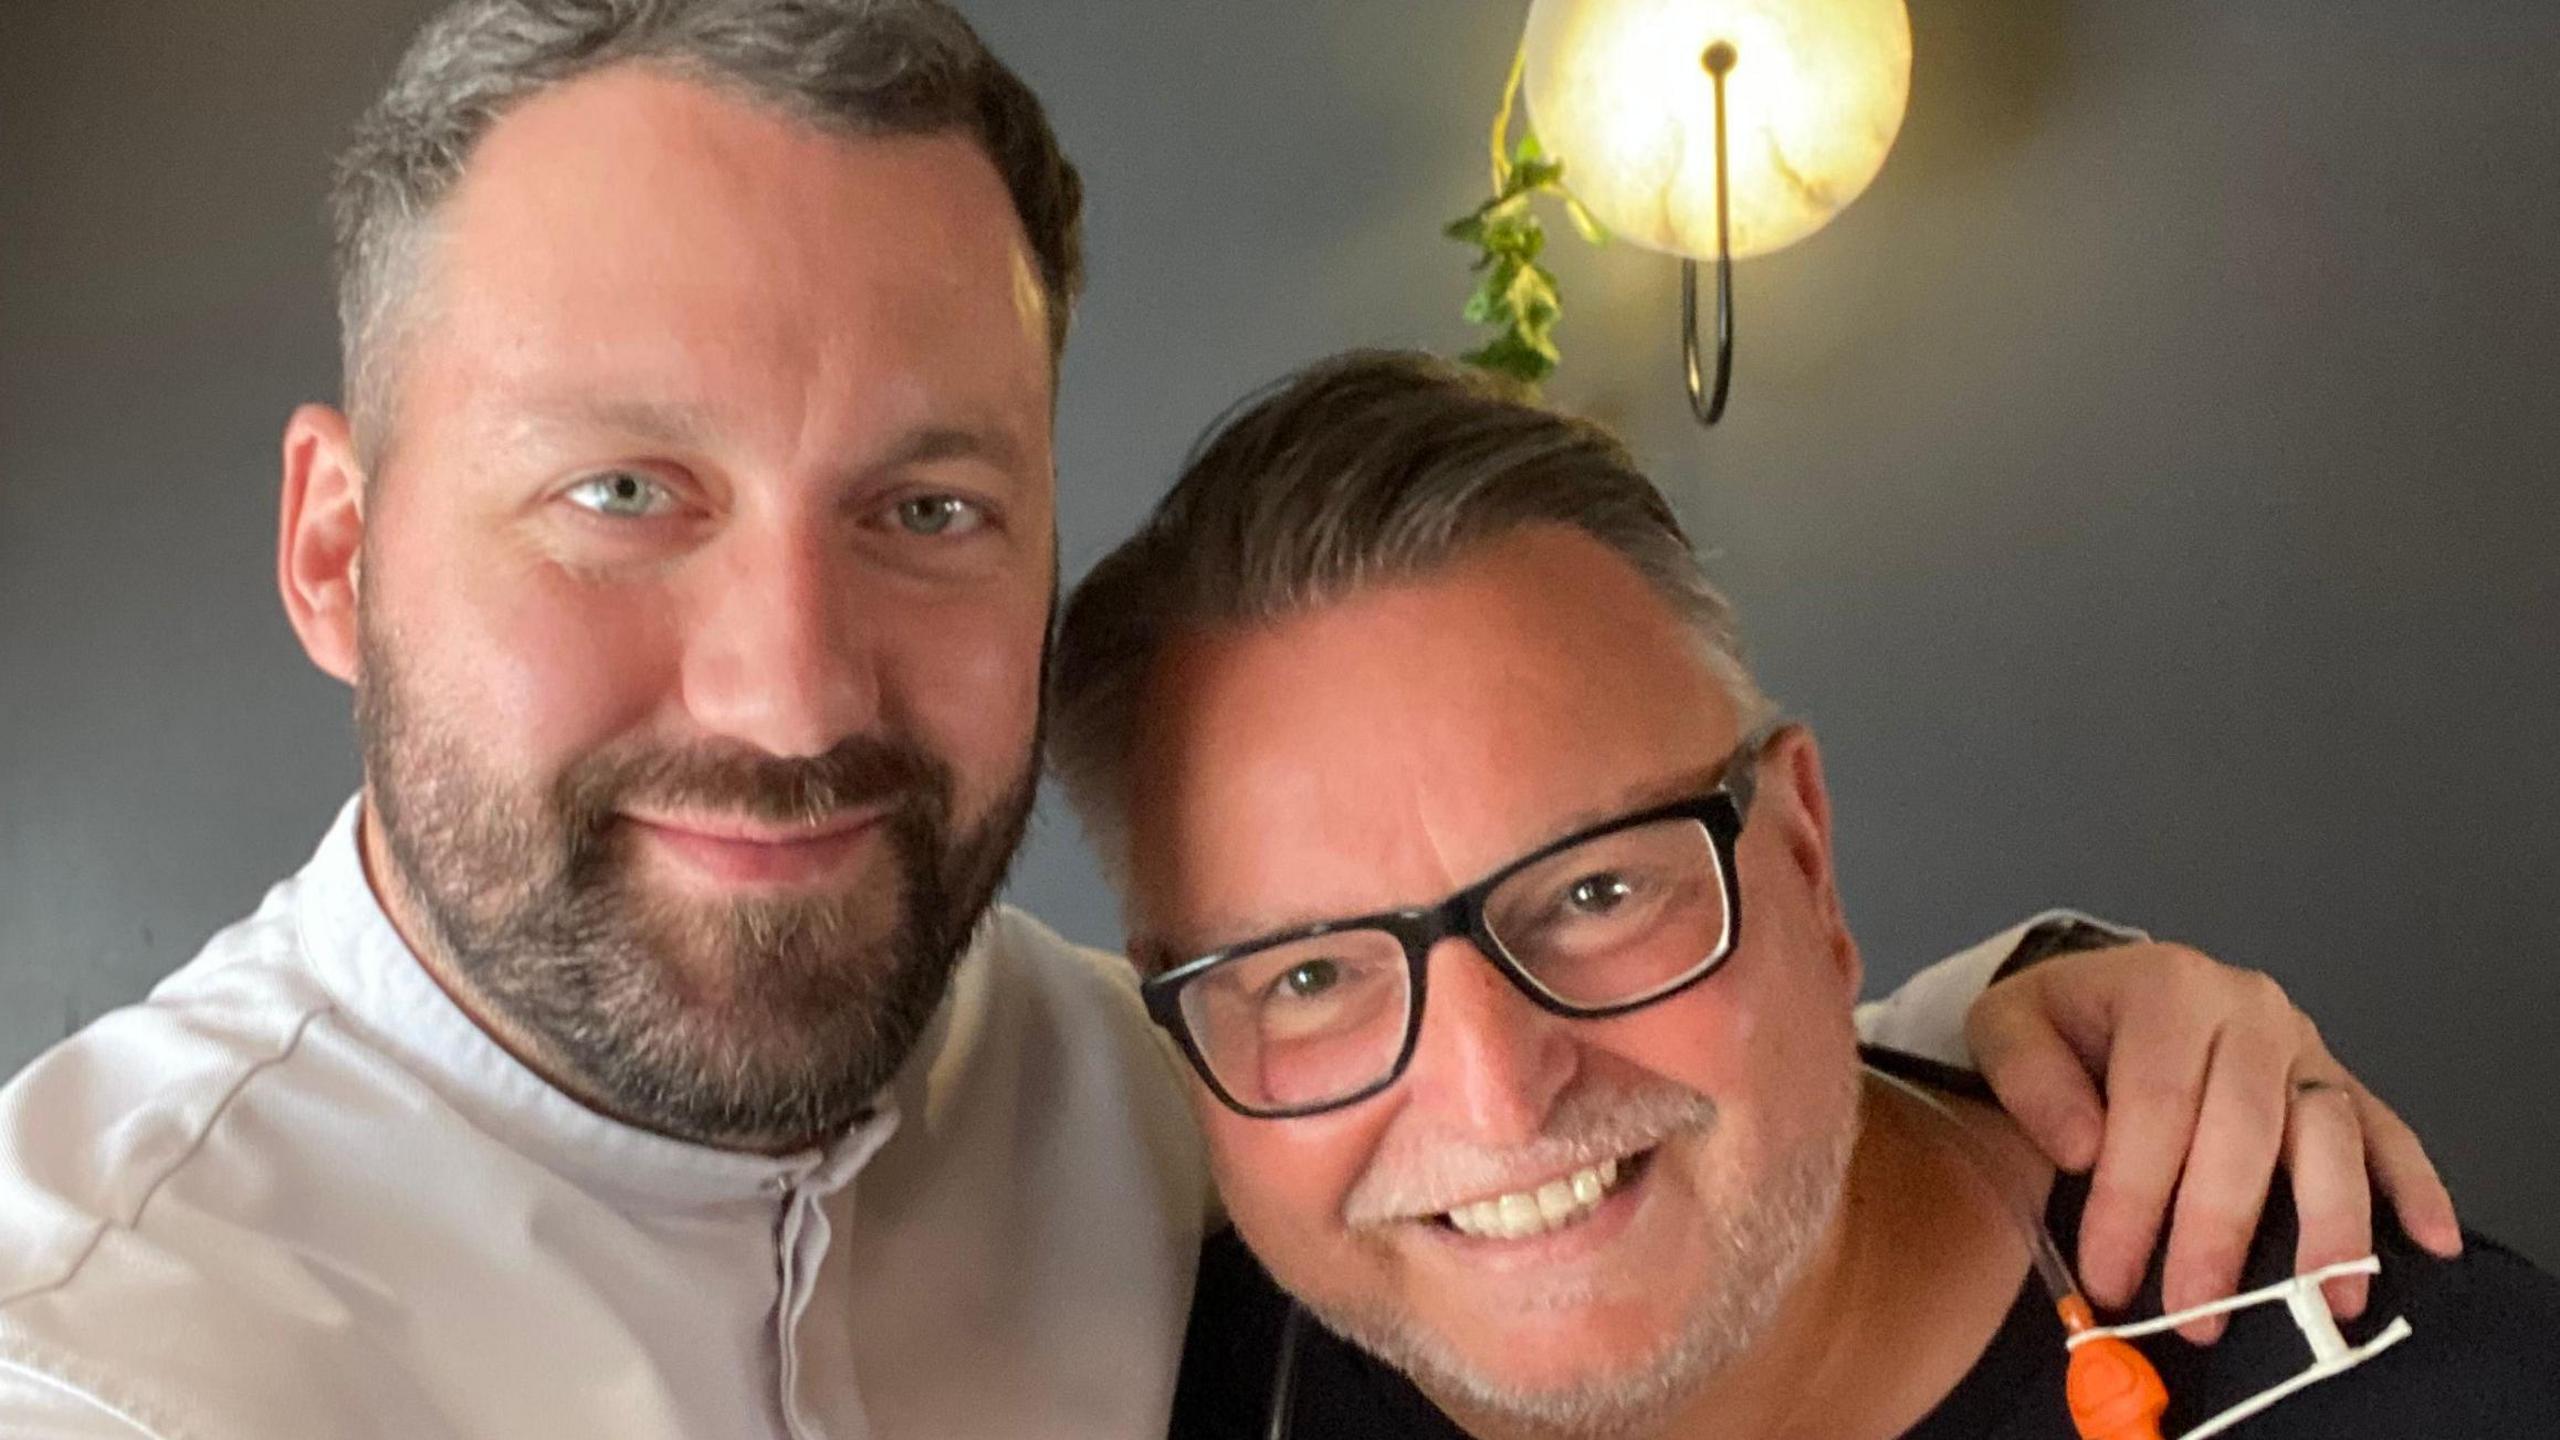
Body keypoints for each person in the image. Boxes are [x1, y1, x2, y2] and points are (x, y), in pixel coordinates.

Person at [0, 5, 2456, 1437]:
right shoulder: (94, 1355)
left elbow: (1533, 1117)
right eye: (622, 489)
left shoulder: (1155, 1075)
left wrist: (2046, 1030)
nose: (787, 689)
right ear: (335, 545)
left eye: (929, 508)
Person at [1045, 349, 2560, 1440]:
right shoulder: (1155, 1380)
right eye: (1308, 976)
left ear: (1805, 857)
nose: (1496, 1097)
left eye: (1595, 888)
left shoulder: (2409, 1387)